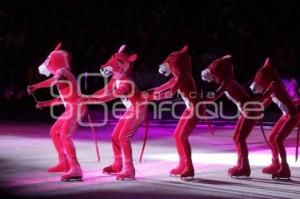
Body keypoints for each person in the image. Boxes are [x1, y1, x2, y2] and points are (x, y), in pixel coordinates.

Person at [27, 43, 86, 181]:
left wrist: (35, 86)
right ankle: (63, 162)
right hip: (72, 107)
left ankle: (75, 168)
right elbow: (63, 98)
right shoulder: (65, 72)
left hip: (76, 107)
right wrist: (45, 103)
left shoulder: (61, 71)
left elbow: (53, 81)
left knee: (64, 135)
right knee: (54, 132)